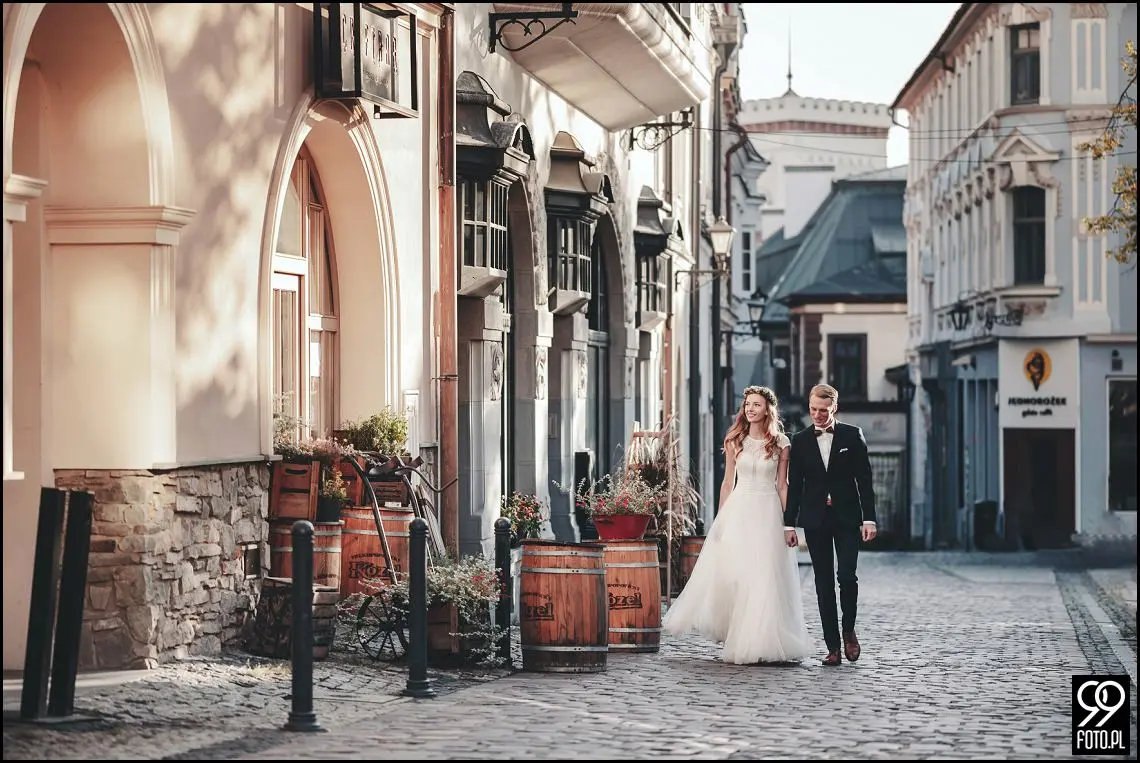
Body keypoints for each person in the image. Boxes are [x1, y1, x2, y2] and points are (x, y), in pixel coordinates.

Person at [662, 386, 811, 665]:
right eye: (747, 405)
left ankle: (764, 640)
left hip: (768, 511)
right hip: (740, 509)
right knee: (739, 574)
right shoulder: (735, 440)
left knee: (765, 574)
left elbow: (782, 485)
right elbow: (728, 482)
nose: (750, 409)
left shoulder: (781, 443)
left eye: (756, 405)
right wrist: (721, 518)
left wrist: (789, 523)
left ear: (768, 409)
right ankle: (740, 636)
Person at [783, 383, 877, 666]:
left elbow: (865, 480)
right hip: (815, 519)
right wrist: (789, 525)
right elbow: (794, 486)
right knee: (823, 584)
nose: (818, 415)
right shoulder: (799, 441)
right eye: (813, 410)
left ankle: (849, 630)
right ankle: (833, 647)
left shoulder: (852, 435)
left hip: (847, 518)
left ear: (834, 408)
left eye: (823, 410)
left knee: (847, 577)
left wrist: (869, 519)